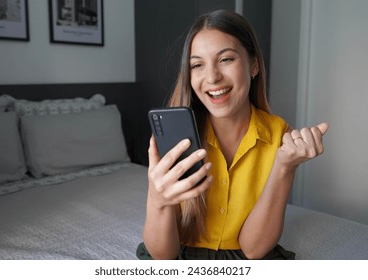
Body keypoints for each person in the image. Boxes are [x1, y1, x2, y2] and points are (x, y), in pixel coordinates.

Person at [137, 9, 329, 260]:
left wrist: (285, 167)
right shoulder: (173, 137)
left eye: (226, 59)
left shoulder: (279, 136)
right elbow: (163, 257)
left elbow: (253, 250)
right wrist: (158, 199)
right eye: (197, 65)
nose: (212, 77)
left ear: (254, 65)